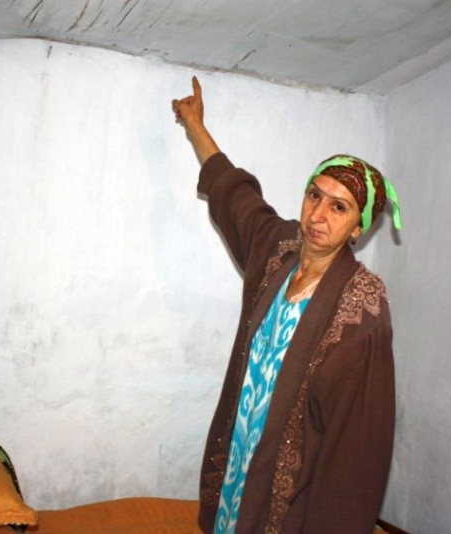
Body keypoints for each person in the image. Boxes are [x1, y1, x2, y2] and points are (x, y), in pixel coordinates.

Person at [171, 77, 402, 534]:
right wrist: (195, 125)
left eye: (339, 208)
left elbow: (358, 451)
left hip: (291, 500)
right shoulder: (278, 250)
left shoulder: (363, 310)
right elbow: (235, 195)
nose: (318, 215)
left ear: (359, 227)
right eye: (315, 195)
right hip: (236, 470)